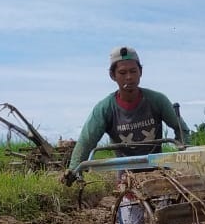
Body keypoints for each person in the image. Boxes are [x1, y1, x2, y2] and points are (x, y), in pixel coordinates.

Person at [62, 45, 191, 185]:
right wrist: (74, 170)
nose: (129, 77)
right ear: (113, 76)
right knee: (128, 204)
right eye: (122, 73)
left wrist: (184, 158)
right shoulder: (105, 108)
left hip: (158, 174)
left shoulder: (157, 101)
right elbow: (87, 142)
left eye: (133, 71)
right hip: (126, 178)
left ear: (140, 72)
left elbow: (181, 129)